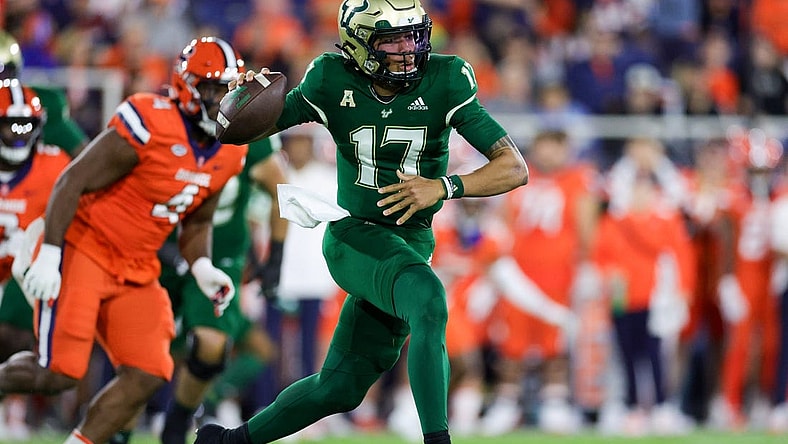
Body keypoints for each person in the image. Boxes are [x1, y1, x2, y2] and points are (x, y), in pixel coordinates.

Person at [194, 1, 529, 443]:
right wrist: (237, 102)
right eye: (392, 39)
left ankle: (228, 441)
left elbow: (514, 167)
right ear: (358, 44)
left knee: (341, 387)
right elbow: (252, 127)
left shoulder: (446, 77)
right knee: (428, 297)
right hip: (354, 235)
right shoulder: (332, 78)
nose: (408, 48)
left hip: (411, 243)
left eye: (413, 35)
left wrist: (445, 186)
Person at [0, 36, 248, 444]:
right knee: (59, 372)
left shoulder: (230, 151)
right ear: (187, 86)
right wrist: (50, 252)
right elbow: (73, 178)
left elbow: (199, 221)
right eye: (212, 87)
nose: (222, 98)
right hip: (85, 248)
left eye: (228, 88)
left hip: (136, 264)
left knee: (150, 370)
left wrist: (203, 267)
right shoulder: (152, 120)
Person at [0, 79, 71, 440]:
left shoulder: (54, 164)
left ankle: (13, 410)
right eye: (10, 124)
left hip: (25, 268)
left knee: (12, 332)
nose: (18, 134)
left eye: (25, 125)